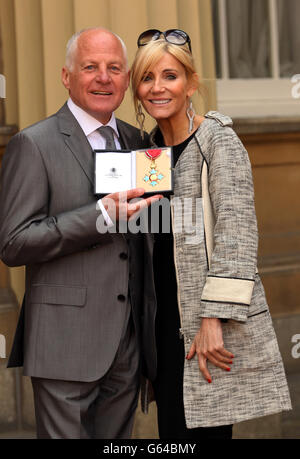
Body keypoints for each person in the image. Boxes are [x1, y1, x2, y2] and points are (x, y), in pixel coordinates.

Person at [0, 27, 161, 439]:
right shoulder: (32, 144)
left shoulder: (139, 142)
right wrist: (98, 216)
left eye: (114, 68)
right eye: (90, 67)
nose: (103, 78)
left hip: (126, 346)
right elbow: (14, 242)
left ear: (126, 79)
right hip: (63, 343)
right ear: (66, 76)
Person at [131, 29, 292, 439]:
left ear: (190, 83)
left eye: (169, 76)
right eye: (147, 78)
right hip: (162, 324)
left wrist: (213, 319)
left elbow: (237, 235)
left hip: (203, 324)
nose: (158, 87)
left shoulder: (217, 141)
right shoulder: (148, 152)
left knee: (203, 432)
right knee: (172, 432)